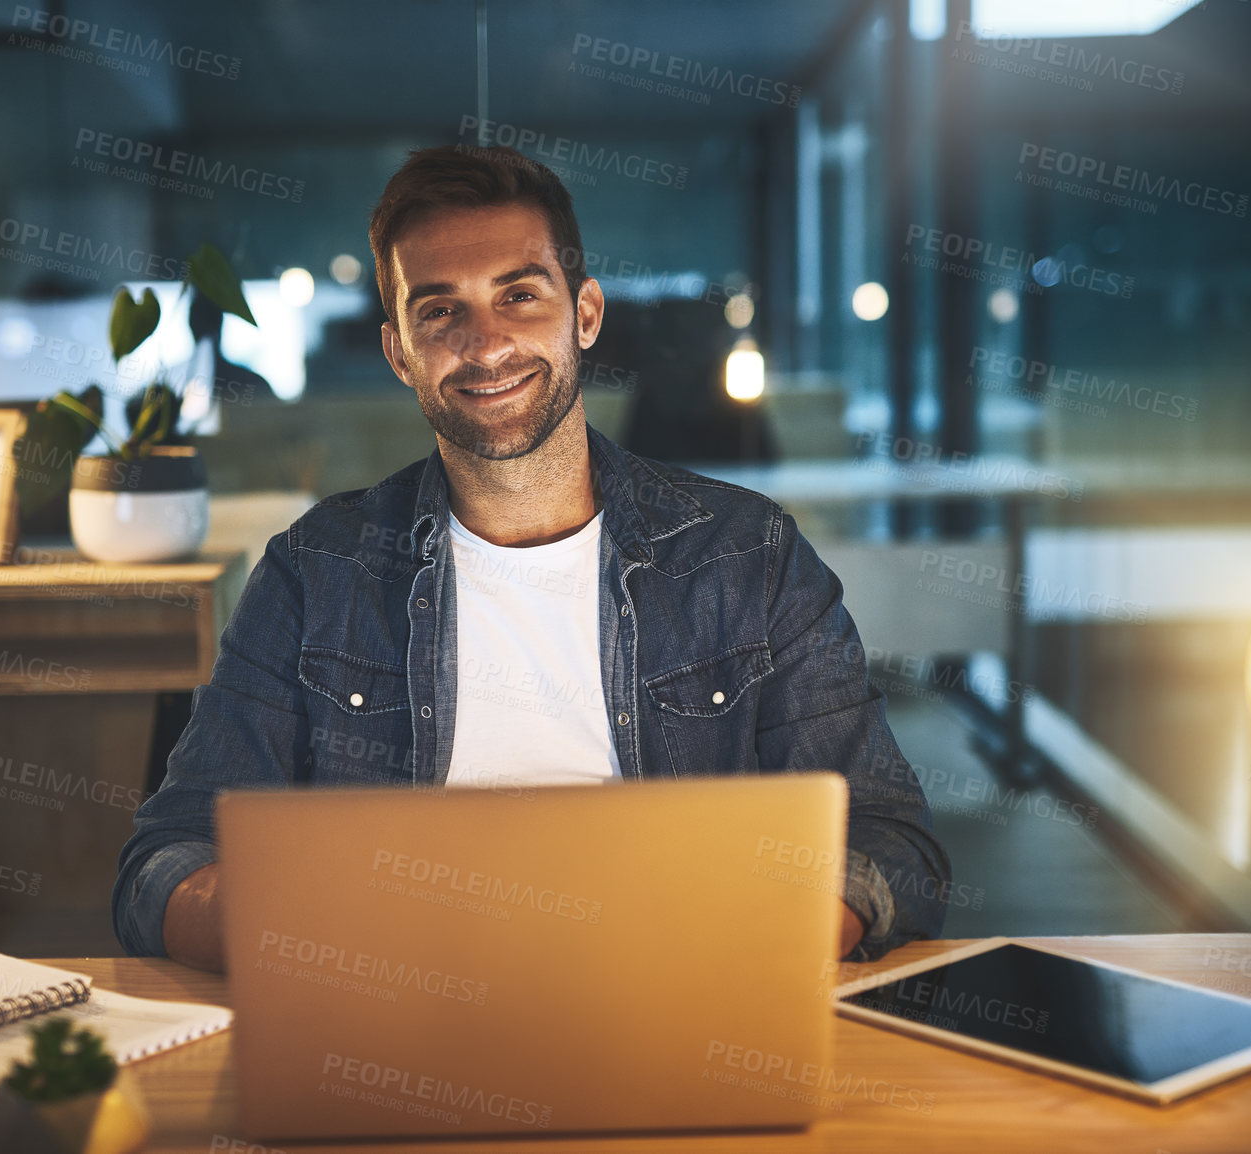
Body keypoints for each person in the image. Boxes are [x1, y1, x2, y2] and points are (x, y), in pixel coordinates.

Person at [114, 145, 949, 970]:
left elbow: (889, 839)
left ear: (584, 314)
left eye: (519, 295)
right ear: (400, 351)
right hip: (392, 1015)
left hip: (676, 1000)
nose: (485, 345)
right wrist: (313, 937)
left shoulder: (747, 554)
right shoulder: (315, 571)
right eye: (440, 311)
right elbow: (165, 862)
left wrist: (744, 952)